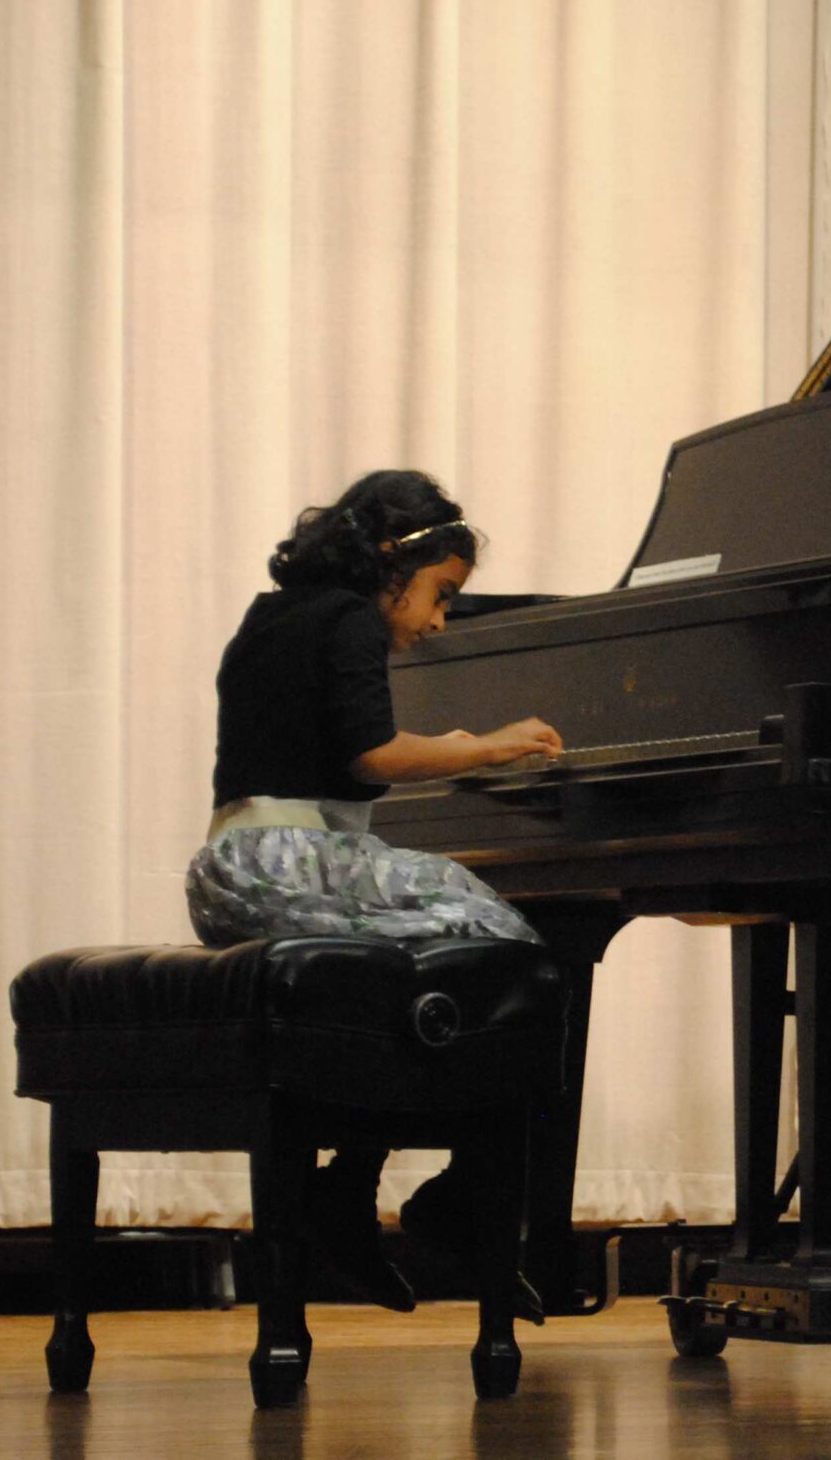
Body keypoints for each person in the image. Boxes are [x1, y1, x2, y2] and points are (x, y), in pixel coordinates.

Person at [186, 469, 563, 1311]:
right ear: (393, 560)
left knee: (410, 992)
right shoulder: (352, 616)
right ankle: (460, 1201)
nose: (439, 620)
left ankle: (348, 1189)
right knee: (508, 948)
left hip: (229, 870)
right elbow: (372, 755)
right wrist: (485, 746)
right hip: (289, 860)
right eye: (441, 593)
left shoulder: (271, 613)